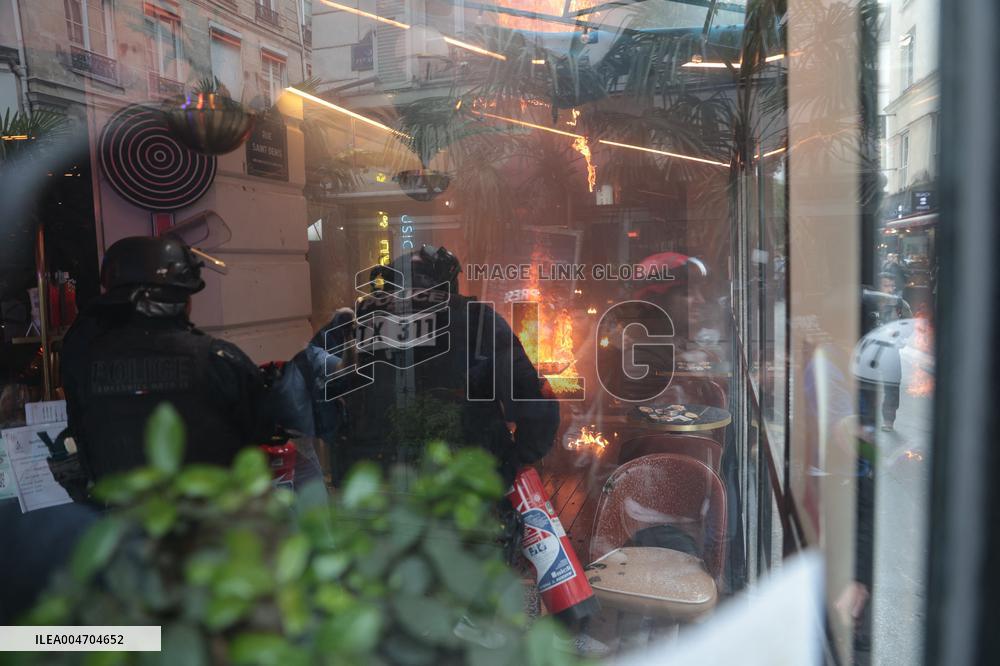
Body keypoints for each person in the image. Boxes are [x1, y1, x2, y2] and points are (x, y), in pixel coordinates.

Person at [329, 246, 559, 485]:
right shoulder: (477, 318)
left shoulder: (356, 323)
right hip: (466, 479)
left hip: (375, 478)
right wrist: (515, 459)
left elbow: (328, 396)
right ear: (448, 281)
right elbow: (532, 401)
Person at [60, 236, 274, 490]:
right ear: (181, 298)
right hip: (211, 510)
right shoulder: (217, 360)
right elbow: (262, 429)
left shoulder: (82, 360)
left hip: (120, 512)